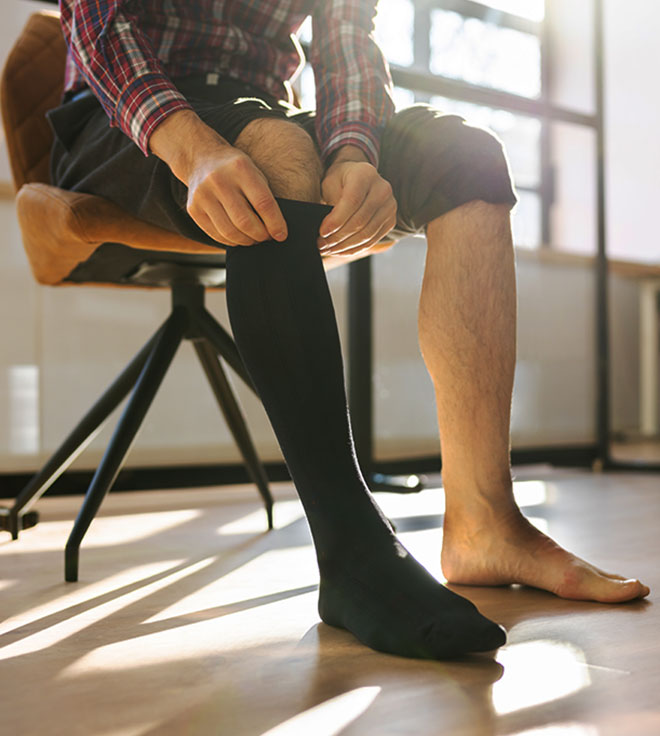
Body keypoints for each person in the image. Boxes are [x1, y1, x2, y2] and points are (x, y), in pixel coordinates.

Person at [49, 0, 649, 660]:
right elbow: (98, 24)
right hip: (118, 125)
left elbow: (347, 35)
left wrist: (356, 153)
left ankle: (484, 522)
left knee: (467, 156)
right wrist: (193, 149)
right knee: (280, 150)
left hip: (263, 112)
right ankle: (352, 554)